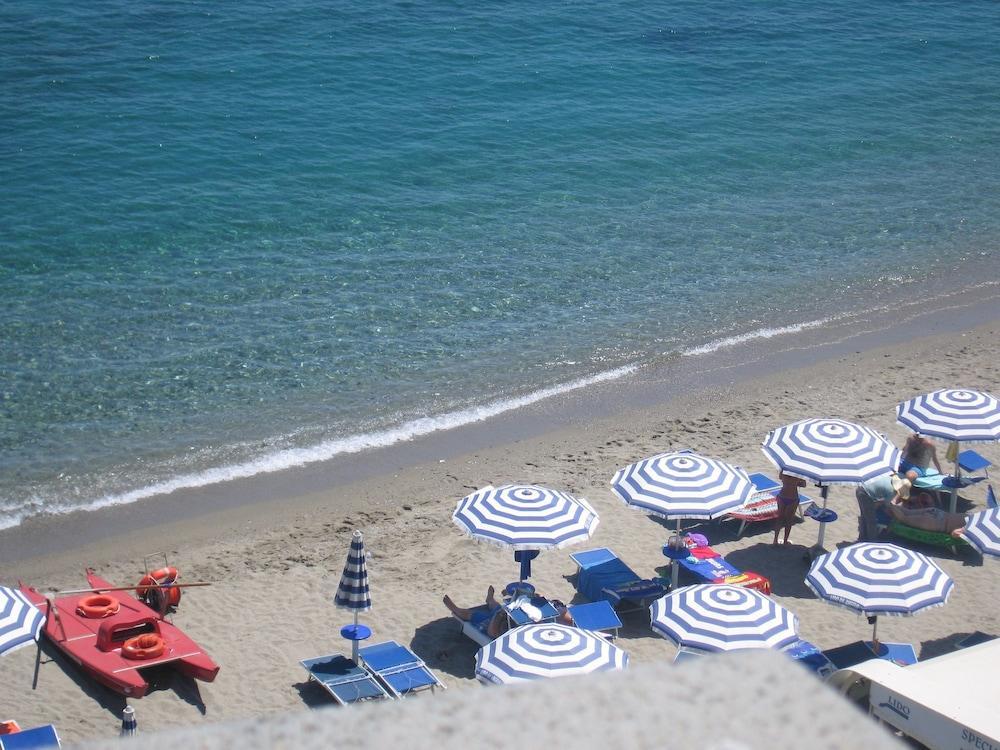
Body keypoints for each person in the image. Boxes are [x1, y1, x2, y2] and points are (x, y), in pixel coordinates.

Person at [879, 498, 966, 537]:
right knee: (903, 518)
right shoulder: (969, 529)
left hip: (938, 512)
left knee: (906, 512)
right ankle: (886, 504)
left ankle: (886, 503)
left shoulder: (972, 517)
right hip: (937, 523)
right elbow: (954, 533)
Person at [773, 471, 807, 546]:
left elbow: (780, 477)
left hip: (782, 496)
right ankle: (785, 541)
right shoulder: (798, 474)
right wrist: (796, 482)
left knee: (780, 519)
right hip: (792, 498)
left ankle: (775, 540)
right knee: (789, 520)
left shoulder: (784, 471)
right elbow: (804, 485)